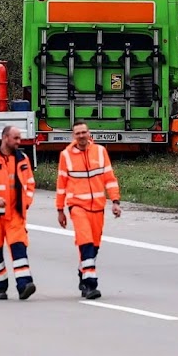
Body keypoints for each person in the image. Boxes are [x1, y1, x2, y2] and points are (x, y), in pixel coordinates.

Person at [56, 120, 122, 299]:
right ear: (73, 136)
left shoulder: (100, 152)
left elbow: (109, 178)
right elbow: (61, 184)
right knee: (85, 242)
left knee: (94, 246)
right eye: (78, 133)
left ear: (89, 133)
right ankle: (91, 284)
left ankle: (82, 273)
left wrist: (115, 201)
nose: (81, 136)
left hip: (98, 207)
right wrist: (60, 209)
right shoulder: (66, 155)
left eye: (84, 132)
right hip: (77, 206)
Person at [0, 126, 36, 301]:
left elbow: (30, 184)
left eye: (20, 138)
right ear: (5, 138)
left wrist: (26, 203)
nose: (19, 142)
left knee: (19, 248)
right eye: (16, 138)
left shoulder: (22, 158)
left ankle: (24, 285)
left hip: (16, 213)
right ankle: (0, 287)